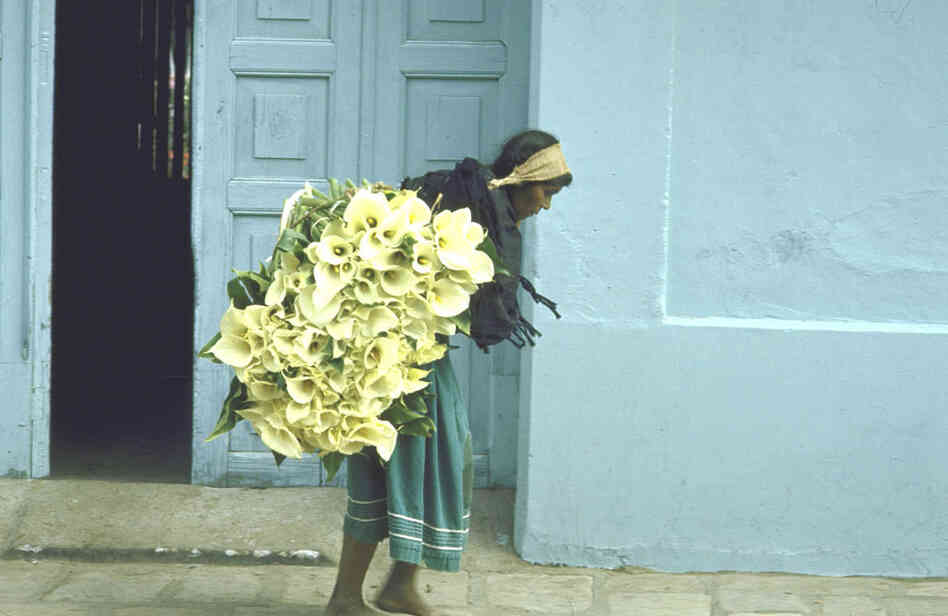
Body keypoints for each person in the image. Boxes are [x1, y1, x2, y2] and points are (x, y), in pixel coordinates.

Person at [325, 130, 573, 616]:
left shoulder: (488, 214)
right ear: (523, 180)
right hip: (393, 361)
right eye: (547, 192)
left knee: (439, 463)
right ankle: (345, 597)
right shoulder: (458, 203)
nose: (546, 206)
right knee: (392, 468)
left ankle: (397, 586)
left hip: (423, 358)